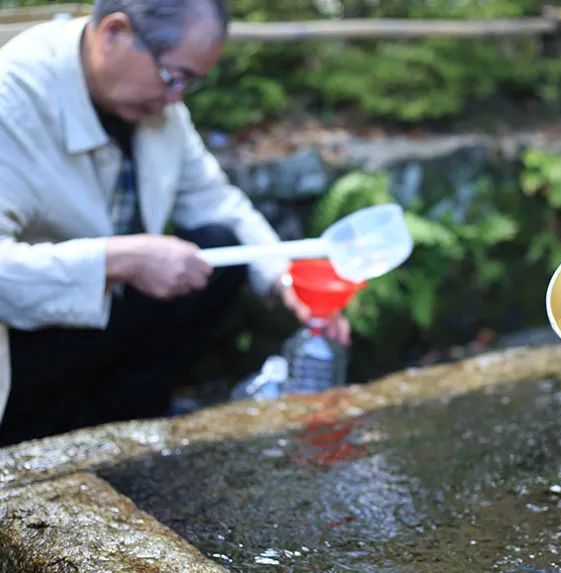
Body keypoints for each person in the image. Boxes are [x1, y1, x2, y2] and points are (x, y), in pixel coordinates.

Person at [0, 0, 349, 446]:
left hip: (106, 311)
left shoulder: (159, 105)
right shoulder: (14, 100)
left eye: (191, 82)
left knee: (220, 251)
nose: (176, 96)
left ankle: (131, 416)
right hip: (25, 339)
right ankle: (42, 435)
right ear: (114, 33)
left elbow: (214, 201)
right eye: (173, 75)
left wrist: (286, 280)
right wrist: (114, 260)